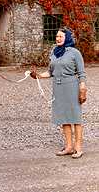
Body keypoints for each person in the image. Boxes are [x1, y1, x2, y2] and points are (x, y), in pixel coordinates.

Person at [30, 27, 87, 159]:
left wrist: (82, 89)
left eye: (61, 36)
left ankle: (78, 148)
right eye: (56, 37)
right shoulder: (54, 52)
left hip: (72, 87)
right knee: (64, 118)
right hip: (58, 88)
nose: (58, 39)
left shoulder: (74, 53)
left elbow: (81, 73)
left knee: (75, 118)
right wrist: (37, 75)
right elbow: (50, 72)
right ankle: (68, 147)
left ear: (67, 38)